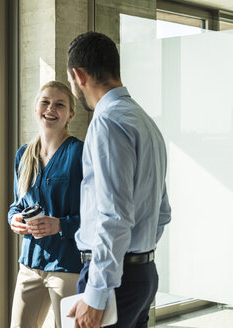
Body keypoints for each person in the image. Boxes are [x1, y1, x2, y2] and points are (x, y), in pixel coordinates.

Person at [66, 32, 172, 328]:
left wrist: (98, 292)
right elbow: (162, 213)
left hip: (113, 281)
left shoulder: (108, 121)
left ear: (79, 75)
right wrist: (139, 254)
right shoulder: (145, 121)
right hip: (141, 275)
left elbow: (113, 216)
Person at [8, 81, 84, 328]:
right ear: (35, 107)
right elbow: (17, 204)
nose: (51, 108)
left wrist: (60, 225)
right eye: (45, 102)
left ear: (70, 114)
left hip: (67, 266)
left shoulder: (79, 153)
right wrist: (14, 219)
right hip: (29, 265)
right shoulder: (23, 154)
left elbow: (96, 214)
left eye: (60, 104)